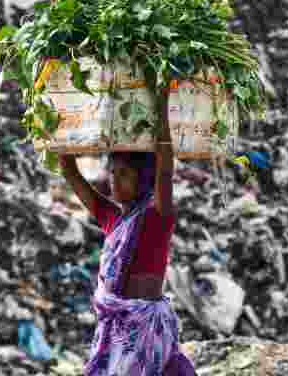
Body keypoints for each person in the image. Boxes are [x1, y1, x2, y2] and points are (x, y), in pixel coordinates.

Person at [58, 95, 196, 376]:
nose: (113, 180)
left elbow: (165, 170)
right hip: (114, 325)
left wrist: (161, 110)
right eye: (111, 172)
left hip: (142, 326)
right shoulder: (113, 217)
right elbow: (71, 174)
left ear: (144, 177)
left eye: (123, 174)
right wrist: (61, 124)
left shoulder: (157, 215)